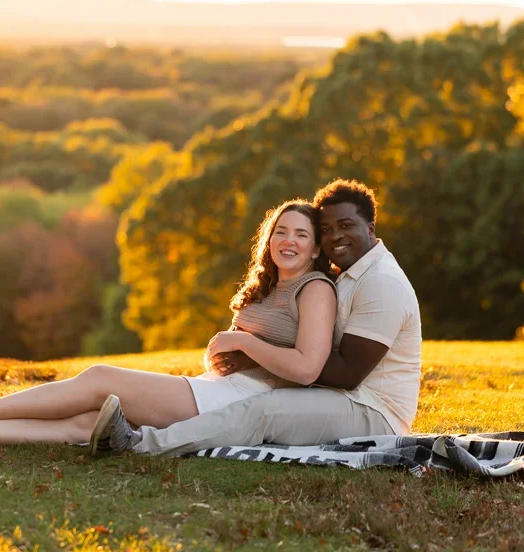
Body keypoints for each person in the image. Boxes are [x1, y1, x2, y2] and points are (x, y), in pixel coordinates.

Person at [0, 199, 339, 451]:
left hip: (244, 402)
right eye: (282, 231)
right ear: (269, 238)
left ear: (317, 250)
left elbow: (305, 368)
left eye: (301, 235)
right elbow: (247, 349)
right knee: (87, 421)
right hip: (220, 388)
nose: (289, 241)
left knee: (99, 379)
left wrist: (238, 340)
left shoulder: (315, 289)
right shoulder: (269, 285)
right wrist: (226, 350)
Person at [90, 178, 422, 456]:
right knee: (258, 400)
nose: (335, 236)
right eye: (327, 229)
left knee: (265, 409)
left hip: (375, 411)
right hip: (346, 399)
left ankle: (138, 444)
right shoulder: (348, 273)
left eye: (346, 226)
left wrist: (253, 349)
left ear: (370, 227)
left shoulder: (382, 282)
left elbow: (348, 373)